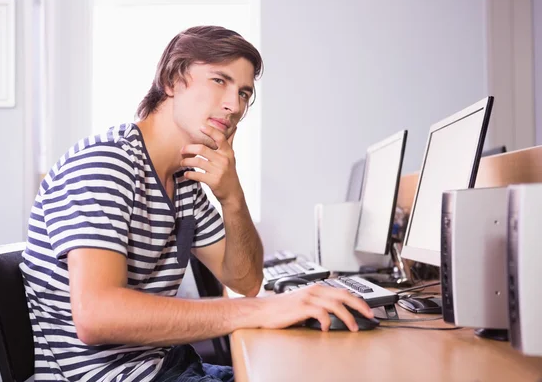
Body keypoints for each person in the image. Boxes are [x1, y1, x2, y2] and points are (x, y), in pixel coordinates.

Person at [20, 25, 374, 382]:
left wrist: (232, 198)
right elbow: (97, 316)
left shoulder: (184, 179)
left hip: (167, 368)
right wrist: (260, 310)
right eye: (219, 81)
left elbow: (245, 280)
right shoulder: (104, 164)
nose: (234, 105)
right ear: (173, 81)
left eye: (244, 93)